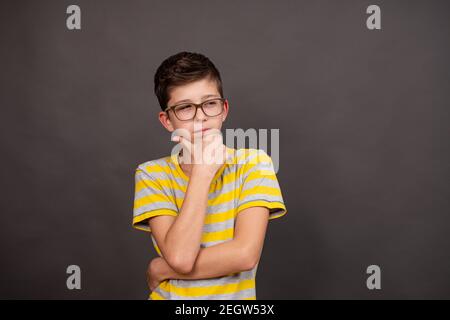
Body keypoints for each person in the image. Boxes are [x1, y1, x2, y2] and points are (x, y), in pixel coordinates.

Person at [132, 51, 287, 300]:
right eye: (184, 108)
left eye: (210, 103)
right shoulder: (151, 175)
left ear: (224, 109)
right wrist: (202, 173)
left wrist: (159, 267)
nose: (201, 116)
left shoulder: (254, 164)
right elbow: (181, 258)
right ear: (167, 121)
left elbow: (244, 255)